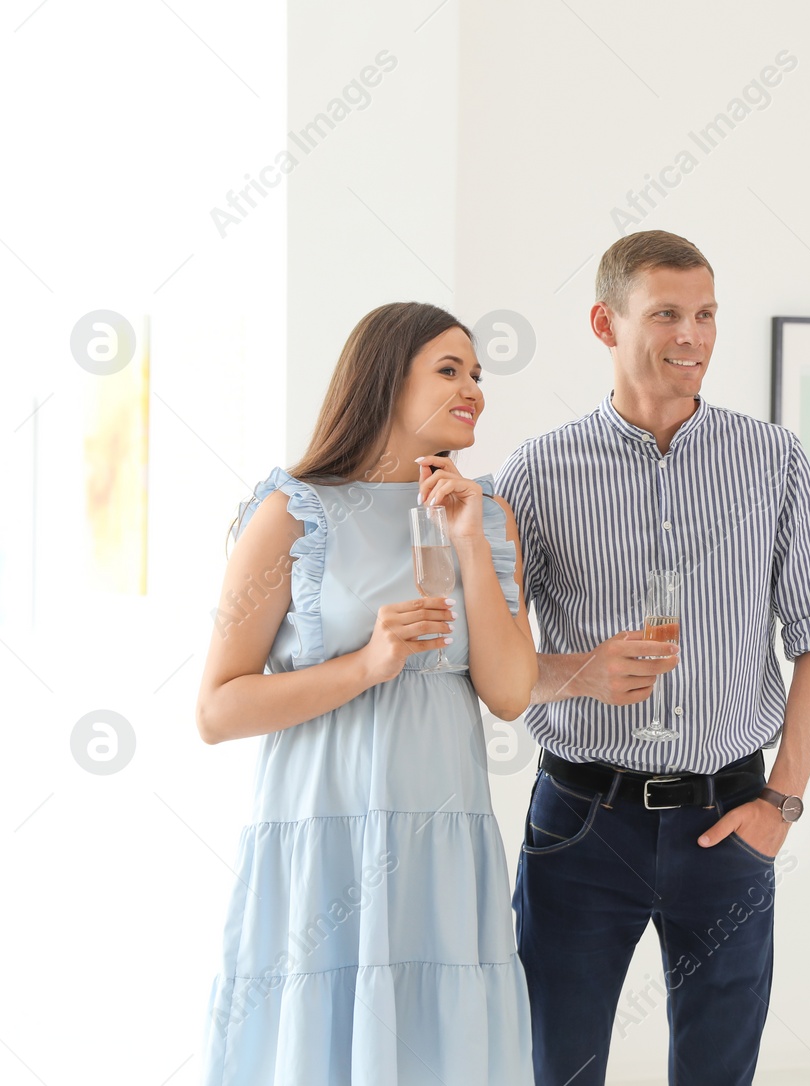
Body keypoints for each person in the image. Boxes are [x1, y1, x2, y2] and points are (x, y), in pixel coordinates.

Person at [494, 229, 810, 1085]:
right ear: (603, 323)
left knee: (717, 1074)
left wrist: (782, 804)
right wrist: (578, 669)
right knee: (557, 1069)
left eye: (705, 314)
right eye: (665, 314)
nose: (691, 335)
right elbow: (498, 662)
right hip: (580, 822)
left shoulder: (774, 460)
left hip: (728, 819)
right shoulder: (538, 472)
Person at [194, 302, 536, 1084]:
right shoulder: (290, 513)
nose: (473, 389)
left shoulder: (488, 517)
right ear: (386, 379)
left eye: (478, 374)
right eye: (449, 370)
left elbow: (511, 692)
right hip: (326, 829)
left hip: (442, 830)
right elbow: (217, 709)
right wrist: (365, 664)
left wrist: (469, 545)